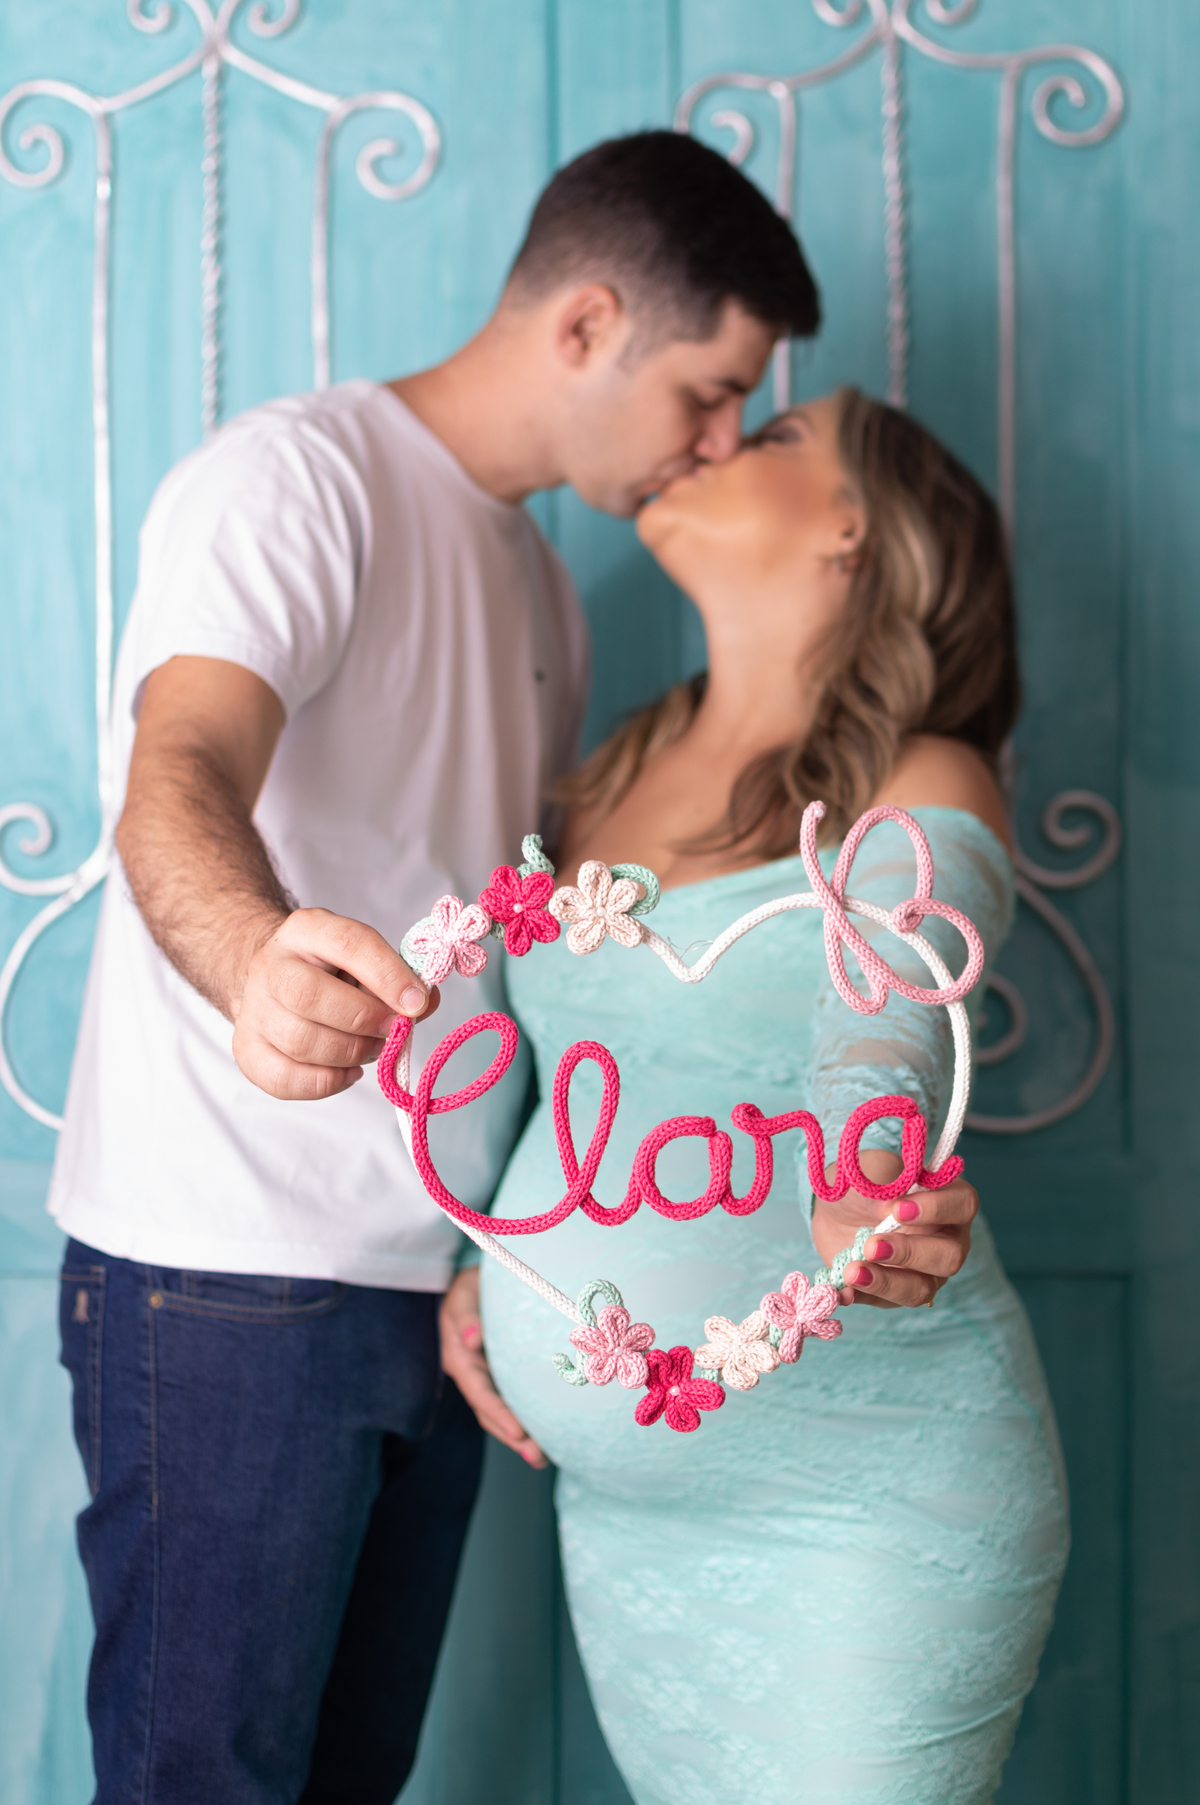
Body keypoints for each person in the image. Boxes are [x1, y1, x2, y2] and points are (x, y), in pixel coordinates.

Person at [49, 131, 834, 1805]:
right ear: (588, 323)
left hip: (436, 1293)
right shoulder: (297, 481)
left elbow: (517, 960)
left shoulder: (545, 586)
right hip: (229, 1270)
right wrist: (253, 958)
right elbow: (178, 767)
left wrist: (497, 1248)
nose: (718, 441)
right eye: (708, 391)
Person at [444, 390, 1068, 1804]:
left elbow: (888, 1019)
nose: (722, 439)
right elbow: (579, 1083)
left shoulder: (924, 775)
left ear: (853, 530)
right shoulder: (607, 771)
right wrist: (488, 1259)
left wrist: (869, 1170)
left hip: (867, 1501)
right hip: (630, 1521)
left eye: (780, 436)